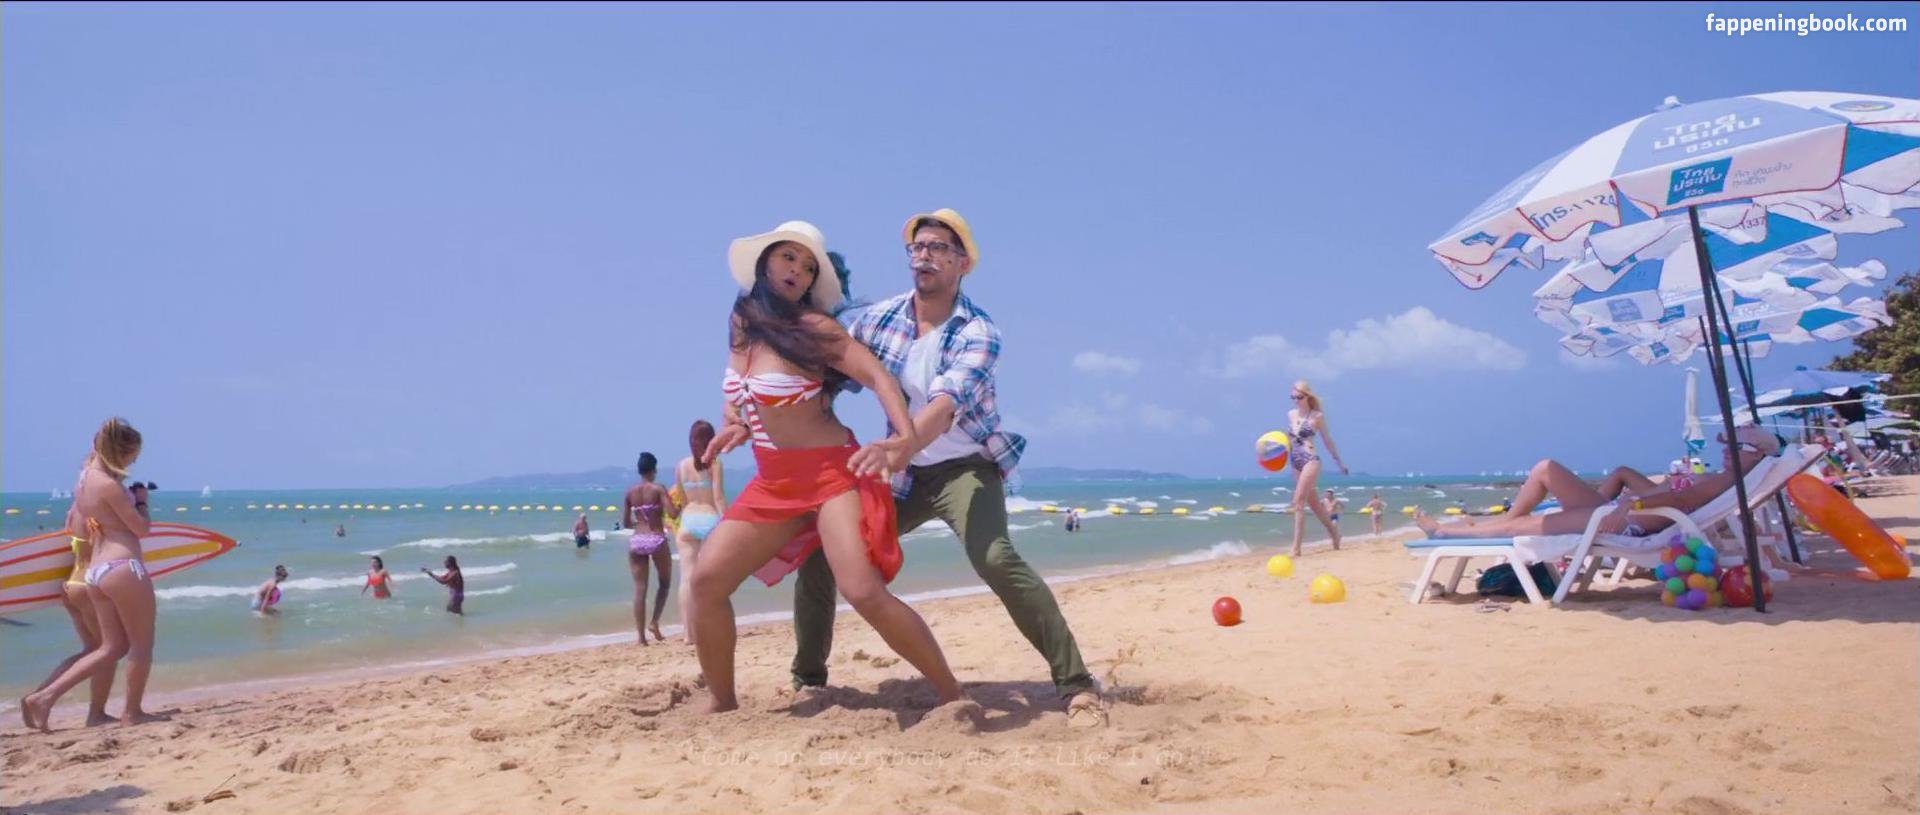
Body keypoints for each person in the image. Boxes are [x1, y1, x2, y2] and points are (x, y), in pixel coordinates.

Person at [750, 209, 1102, 725]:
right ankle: (809, 679)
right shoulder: (879, 319)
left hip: (964, 469)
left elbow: (944, 405)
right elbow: (822, 353)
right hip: (904, 475)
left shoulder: (978, 331)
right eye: (917, 248)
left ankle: (1076, 684)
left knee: (995, 557)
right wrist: (751, 411)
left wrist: (900, 445)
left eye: (938, 248)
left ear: (962, 263)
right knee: (823, 556)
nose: (924, 257)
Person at [691, 219, 964, 714]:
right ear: (764, 262)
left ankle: (951, 694)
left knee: (862, 590)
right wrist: (737, 424)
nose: (797, 270)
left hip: (830, 476)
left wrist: (904, 438)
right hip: (774, 482)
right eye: (788, 257)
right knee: (706, 582)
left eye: (808, 266)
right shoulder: (742, 321)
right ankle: (723, 704)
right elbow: (741, 388)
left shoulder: (815, 329)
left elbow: (879, 377)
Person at [22, 418, 166, 730]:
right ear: (120, 451)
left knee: (111, 648)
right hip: (124, 566)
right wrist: (142, 503)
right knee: (141, 645)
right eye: (132, 456)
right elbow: (140, 528)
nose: (132, 463)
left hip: (96, 572)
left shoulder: (84, 480)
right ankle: (132, 713)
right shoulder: (110, 487)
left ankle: (44, 697)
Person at [1417, 428, 1780, 540]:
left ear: (1757, 455)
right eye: (1728, 445)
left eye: (1737, 446)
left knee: (1524, 526)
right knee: (1545, 468)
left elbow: (1682, 500)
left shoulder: (1725, 482)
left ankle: (1445, 532)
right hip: (1617, 511)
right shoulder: (1727, 477)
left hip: (1623, 521)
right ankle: (1487, 524)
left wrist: (1633, 504)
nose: (1727, 450)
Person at [23, 513, 116, 729]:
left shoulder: (76, 513)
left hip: (71, 584)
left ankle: (36, 697)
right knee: (108, 652)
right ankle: (92, 712)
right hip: (89, 586)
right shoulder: (101, 513)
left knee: (93, 650)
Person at [673, 420, 726, 648]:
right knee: (711, 579)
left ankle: (688, 634)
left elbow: (682, 499)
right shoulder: (715, 463)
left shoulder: (681, 466)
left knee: (686, 579)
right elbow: (718, 497)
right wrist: (726, 522)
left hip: (688, 521)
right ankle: (711, 627)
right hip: (709, 519)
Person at [1287, 381, 1348, 557]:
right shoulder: (1290, 414)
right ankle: (1335, 534)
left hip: (1310, 459)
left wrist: (1339, 462)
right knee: (1315, 505)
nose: (1296, 400)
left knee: (1298, 502)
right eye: (1293, 397)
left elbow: (1327, 440)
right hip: (1295, 460)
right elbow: (1289, 440)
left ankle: (1296, 548)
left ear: (1307, 396)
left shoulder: (1317, 416)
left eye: (1299, 397)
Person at [623, 452, 676, 645]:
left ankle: (640, 637)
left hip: (637, 539)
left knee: (640, 588)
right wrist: (679, 507)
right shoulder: (658, 488)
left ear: (639, 470)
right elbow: (672, 513)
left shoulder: (630, 492)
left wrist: (640, 523)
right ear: (654, 469)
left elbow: (626, 522)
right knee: (664, 583)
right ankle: (654, 622)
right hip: (656, 537)